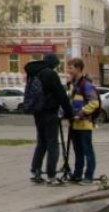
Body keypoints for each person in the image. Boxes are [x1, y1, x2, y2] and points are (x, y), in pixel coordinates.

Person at [24, 53, 74, 185]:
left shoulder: (33, 73)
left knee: (41, 142)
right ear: (53, 63)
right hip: (50, 113)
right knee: (53, 143)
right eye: (57, 64)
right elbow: (61, 94)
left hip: (37, 112)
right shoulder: (50, 74)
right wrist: (69, 113)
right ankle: (51, 174)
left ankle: (36, 171)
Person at [66, 57, 100, 185]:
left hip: (84, 124)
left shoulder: (86, 84)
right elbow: (71, 102)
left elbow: (94, 103)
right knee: (78, 151)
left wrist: (80, 114)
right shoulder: (73, 84)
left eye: (70, 67)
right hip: (74, 124)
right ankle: (77, 174)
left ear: (78, 68)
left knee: (87, 151)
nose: (68, 70)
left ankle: (89, 176)